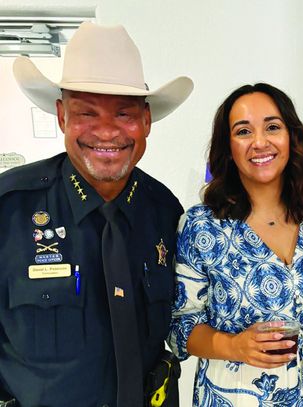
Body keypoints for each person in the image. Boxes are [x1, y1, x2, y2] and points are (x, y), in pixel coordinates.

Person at [0, 22, 193, 407]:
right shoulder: (8, 209)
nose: (107, 133)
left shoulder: (166, 213)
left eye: (124, 114)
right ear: (61, 117)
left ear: (146, 121)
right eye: (87, 113)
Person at [168, 83, 303, 406]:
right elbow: (180, 327)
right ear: (228, 147)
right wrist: (234, 346)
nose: (260, 142)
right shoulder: (203, 226)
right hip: (236, 393)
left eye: (272, 127)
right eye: (243, 131)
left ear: (291, 137)